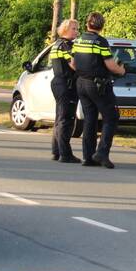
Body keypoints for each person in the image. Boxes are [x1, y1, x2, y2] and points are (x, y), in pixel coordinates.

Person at [72, 12, 125, 168]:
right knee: (112, 117)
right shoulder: (100, 42)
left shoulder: (79, 39)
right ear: (102, 26)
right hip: (98, 85)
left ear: (87, 24)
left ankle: (88, 157)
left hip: (81, 83)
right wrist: (121, 71)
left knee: (90, 119)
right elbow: (110, 64)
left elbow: (73, 63)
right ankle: (102, 153)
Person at [50, 19, 81, 164]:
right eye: (74, 29)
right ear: (65, 30)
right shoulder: (66, 46)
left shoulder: (56, 44)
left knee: (59, 118)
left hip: (58, 82)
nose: (77, 31)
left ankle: (56, 151)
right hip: (67, 84)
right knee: (66, 120)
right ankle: (65, 153)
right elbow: (74, 64)